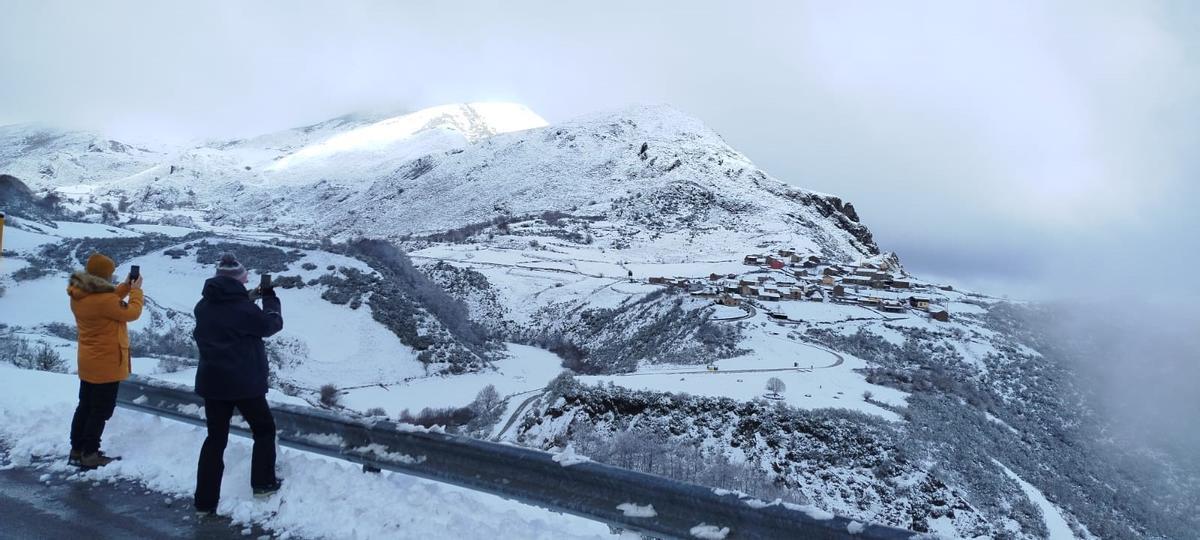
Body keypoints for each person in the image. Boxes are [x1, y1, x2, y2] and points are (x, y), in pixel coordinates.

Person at [192, 253, 284, 516]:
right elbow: (271, 325)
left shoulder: (204, 305)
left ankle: (205, 501)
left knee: (215, 439)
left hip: (213, 382)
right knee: (264, 430)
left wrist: (249, 296)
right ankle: (263, 484)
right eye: (244, 277)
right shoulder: (244, 309)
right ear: (238, 280)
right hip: (244, 383)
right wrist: (270, 299)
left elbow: (229, 309)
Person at [66, 252, 144, 469]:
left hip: (89, 361)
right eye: (110, 274)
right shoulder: (104, 300)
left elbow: (107, 299)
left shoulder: (79, 293)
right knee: (100, 410)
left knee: (85, 406)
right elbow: (132, 312)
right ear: (103, 277)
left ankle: (77, 450)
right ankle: (90, 454)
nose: (112, 277)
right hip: (107, 363)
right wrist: (136, 291)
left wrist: (125, 287)